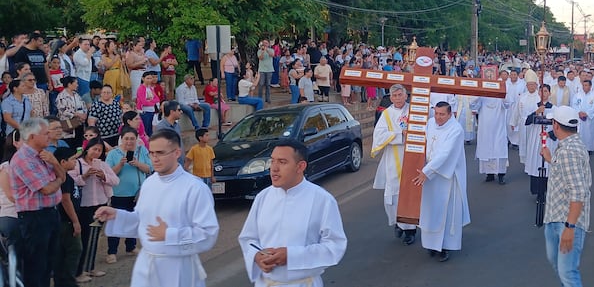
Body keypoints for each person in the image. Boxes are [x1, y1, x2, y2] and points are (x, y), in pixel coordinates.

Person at [94, 129, 220, 287]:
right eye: (152, 153)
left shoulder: (195, 188)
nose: (155, 158)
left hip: (178, 267)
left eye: (160, 153)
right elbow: (143, 220)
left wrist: (169, 235)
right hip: (147, 264)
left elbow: (208, 233)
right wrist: (118, 215)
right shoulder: (149, 183)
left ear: (176, 153)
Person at [238, 141, 347, 286]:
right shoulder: (263, 197)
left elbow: (335, 246)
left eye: (282, 162)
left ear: (300, 166)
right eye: (272, 161)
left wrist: (291, 256)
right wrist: (256, 256)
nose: (274, 168)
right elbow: (248, 238)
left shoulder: (322, 200)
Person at [10, 117, 67, 287]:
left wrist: (55, 162)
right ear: (33, 136)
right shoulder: (23, 159)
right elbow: (46, 188)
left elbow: (62, 175)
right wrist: (58, 181)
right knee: (36, 266)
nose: (49, 136)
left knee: (49, 263)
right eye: (45, 133)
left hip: (50, 213)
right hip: (34, 218)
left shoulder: (43, 155)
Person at [539, 106, 591, 287]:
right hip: (555, 216)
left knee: (567, 272)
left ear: (556, 125)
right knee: (560, 267)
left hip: (566, 221)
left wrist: (570, 227)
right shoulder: (569, 146)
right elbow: (566, 173)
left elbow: (578, 192)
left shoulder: (569, 151)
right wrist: (550, 159)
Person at [412, 101, 469, 263]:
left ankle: (445, 246)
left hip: (446, 176)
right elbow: (421, 143)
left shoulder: (456, 129)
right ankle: (430, 244)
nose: (438, 117)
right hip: (429, 174)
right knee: (430, 209)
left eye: (442, 114)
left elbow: (445, 154)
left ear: (450, 114)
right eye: (436, 113)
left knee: (446, 210)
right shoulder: (430, 123)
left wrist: (427, 172)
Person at [371, 84, 417, 244]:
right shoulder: (387, 114)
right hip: (393, 158)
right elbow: (379, 135)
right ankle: (398, 222)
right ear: (390, 98)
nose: (397, 98)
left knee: (410, 193)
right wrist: (399, 135)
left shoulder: (415, 110)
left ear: (406, 96)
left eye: (400, 95)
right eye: (394, 96)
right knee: (394, 193)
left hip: (413, 157)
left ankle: (410, 229)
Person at [69, 138, 119, 281]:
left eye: (99, 150)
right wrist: (84, 176)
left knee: (94, 237)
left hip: (100, 204)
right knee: (84, 239)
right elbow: (70, 182)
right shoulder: (77, 163)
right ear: (87, 149)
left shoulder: (101, 164)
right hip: (84, 206)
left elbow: (115, 180)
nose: (96, 152)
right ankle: (79, 271)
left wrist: (103, 176)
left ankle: (90, 268)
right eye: (94, 149)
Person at [104, 127, 151, 264]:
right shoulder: (113, 153)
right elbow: (108, 174)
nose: (129, 141)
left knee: (134, 220)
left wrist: (137, 164)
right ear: (121, 139)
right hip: (119, 194)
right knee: (115, 222)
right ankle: (112, 251)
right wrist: (120, 164)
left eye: (132, 138)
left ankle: (131, 246)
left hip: (137, 194)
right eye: (126, 138)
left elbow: (149, 168)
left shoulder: (142, 150)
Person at [52, 146, 84, 287]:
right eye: (72, 159)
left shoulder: (67, 176)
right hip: (66, 221)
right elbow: (65, 200)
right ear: (63, 162)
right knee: (74, 250)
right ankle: (67, 282)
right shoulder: (62, 178)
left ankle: (65, 281)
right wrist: (75, 221)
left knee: (65, 252)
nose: (75, 162)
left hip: (66, 221)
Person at [472, 86, 512, 184]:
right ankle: (489, 174)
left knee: (499, 151)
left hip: (498, 129)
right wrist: (478, 95)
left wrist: (503, 95)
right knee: (486, 150)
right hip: (485, 130)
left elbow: (507, 104)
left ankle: (501, 175)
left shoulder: (499, 96)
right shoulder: (483, 96)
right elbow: (473, 106)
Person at [523, 84, 557, 197]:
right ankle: (538, 191)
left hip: (548, 141)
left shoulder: (554, 109)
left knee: (547, 165)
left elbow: (558, 127)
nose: (544, 94)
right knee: (536, 163)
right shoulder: (534, 106)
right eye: (541, 91)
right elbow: (527, 121)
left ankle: (549, 190)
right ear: (539, 93)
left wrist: (549, 134)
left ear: (550, 93)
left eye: (546, 91)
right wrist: (537, 112)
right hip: (535, 140)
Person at [87, 84, 124, 148]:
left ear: (112, 94)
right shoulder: (96, 105)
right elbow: (91, 122)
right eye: (104, 92)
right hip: (103, 137)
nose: (106, 94)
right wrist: (94, 135)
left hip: (117, 135)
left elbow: (120, 116)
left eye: (108, 92)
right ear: (101, 93)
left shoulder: (116, 103)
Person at [56, 76, 88, 147]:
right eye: (76, 83)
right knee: (70, 145)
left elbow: (83, 106)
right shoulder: (61, 96)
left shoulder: (76, 95)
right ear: (69, 84)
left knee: (79, 144)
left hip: (79, 124)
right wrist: (76, 114)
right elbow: (62, 111)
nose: (77, 85)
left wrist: (84, 114)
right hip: (68, 126)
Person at [571, 80, 594, 152]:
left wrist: (587, 114)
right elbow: (574, 104)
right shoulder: (578, 95)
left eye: (586, 85)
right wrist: (579, 112)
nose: (584, 87)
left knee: (589, 134)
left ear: (590, 86)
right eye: (583, 85)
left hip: (590, 119)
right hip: (579, 118)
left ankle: (589, 149)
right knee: (579, 133)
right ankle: (579, 148)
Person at [136, 71, 161, 137]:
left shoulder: (150, 88)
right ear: (143, 79)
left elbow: (157, 99)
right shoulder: (141, 88)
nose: (150, 80)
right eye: (148, 78)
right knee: (146, 130)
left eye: (150, 78)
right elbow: (144, 102)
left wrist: (150, 101)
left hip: (152, 111)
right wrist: (153, 102)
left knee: (151, 130)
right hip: (145, 112)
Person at [256, 39, 274, 104]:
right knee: (261, 84)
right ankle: (260, 98)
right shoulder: (259, 51)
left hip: (269, 69)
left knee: (268, 84)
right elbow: (260, 58)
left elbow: (272, 55)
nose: (264, 44)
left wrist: (267, 50)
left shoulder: (271, 50)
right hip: (262, 70)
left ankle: (268, 98)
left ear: (268, 44)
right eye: (263, 43)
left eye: (266, 43)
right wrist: (263, 51)